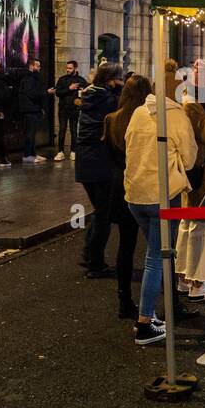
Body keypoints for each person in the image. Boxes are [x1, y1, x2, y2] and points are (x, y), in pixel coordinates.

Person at [124, 73, 198, 346]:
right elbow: (190, 160)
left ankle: (157, 313)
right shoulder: (176, 117)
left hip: (134, 196)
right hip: (163, 196)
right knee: (156, 259)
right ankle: (144, 323)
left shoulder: (139, 113)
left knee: (158, 256)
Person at [176, 59, 205, 302]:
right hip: (201, 172)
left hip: (196, 169)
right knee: (203, 226)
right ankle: (198, 282)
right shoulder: (192, 103)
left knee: (189, 223)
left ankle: (184, 278)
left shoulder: (192, 97)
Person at [103, 75, 149, 320]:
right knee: (158, 245)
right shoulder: (148, 119)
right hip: (145, 183)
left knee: (126, 245)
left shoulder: (111, 120)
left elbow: (108, 156)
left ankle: (124, 299)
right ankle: (162, 299)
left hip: (121, 185)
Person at [75, 63, 125, 278]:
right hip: (100, 160)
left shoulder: (90, 95)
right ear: (111, 79)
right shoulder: (107, 99)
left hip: (85, 161)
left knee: (99, 210)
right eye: (119, 78)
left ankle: (89, 254)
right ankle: (95, 264)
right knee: (104, 213)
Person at [52, 59, 85, 162]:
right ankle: (60, 152)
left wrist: (82, 92)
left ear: (75, 68)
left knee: (74, 130)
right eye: (67, 68)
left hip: (74, 109)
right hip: (63, 109)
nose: (68, 70)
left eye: (70, 68)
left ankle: (73, 152)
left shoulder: (81, 80)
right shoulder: (62, 79)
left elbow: (86, 92)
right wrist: (69, 88)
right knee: (62, 130)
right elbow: (57, 92)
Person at [19, 58, 47, 163]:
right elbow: (31, 94)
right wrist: (46, 92)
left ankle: (32, 154)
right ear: (31, 66)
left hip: (34, 109)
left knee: (32, 133)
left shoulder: (33, 78)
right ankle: (27, 155)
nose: (39, 68)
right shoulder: (28, 79)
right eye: (37, 66)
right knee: (29, 133)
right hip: (29, 110)